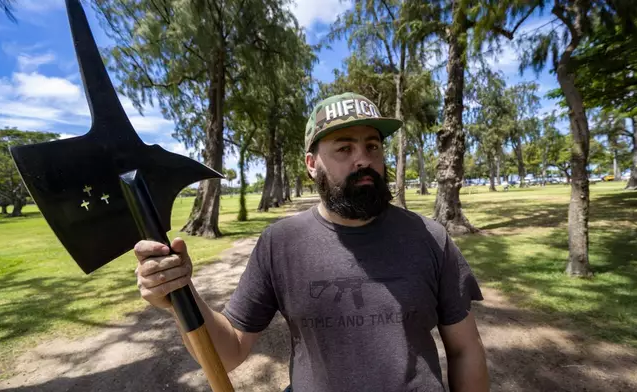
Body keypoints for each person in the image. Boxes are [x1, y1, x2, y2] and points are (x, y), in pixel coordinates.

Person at [134, 92, 489, 392]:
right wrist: (180, 293)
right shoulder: (281, 243)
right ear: (311, 164)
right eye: (344, 149)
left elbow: (465, 348)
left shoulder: (429, 237)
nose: (363, 159)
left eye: (373, 145)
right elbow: (229, 351)